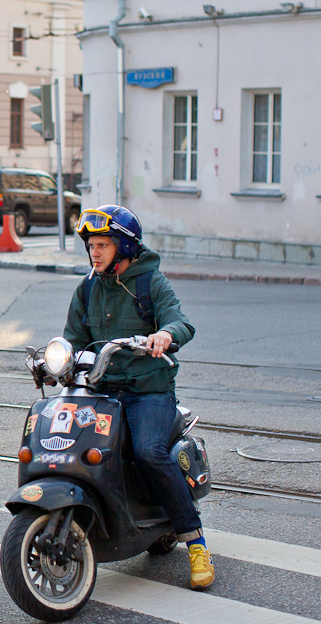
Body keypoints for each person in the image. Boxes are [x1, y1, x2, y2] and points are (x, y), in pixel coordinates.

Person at [63, 204, 214, 591]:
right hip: (102, 390)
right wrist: (61, 359)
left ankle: (195, 542)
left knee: (148, 452)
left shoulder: (151, 283)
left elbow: (182, 321)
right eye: (91, 245)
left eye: (103, 244)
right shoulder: (87, 288)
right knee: (73, 448)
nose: (94, 252)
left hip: (149, 391)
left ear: (124, 248)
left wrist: (166, 335)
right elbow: (74, 341)